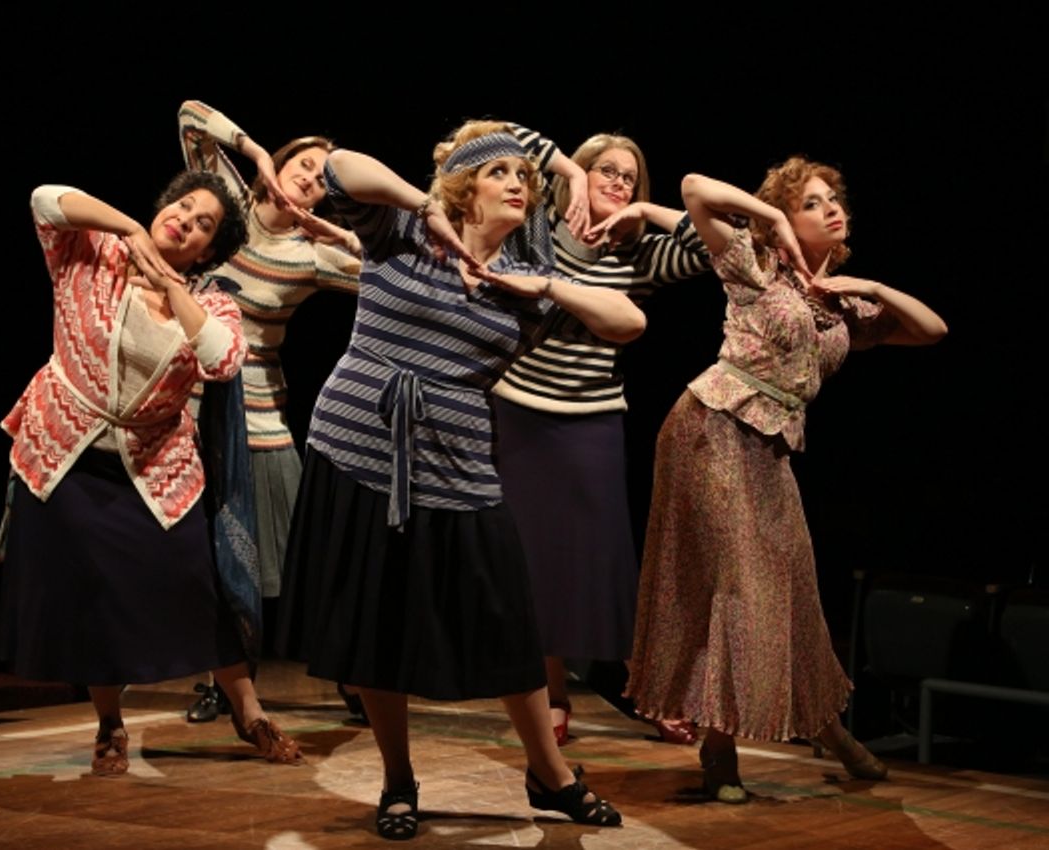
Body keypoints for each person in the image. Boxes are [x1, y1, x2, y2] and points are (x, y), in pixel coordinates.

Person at [278, 122, 643, 839]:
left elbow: (627, 322)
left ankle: (549, 774)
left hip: (460, 464)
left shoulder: (522, 286)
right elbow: (341, 165)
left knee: (509, 623)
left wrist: (542, 283)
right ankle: (397, 780)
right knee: (376, 632)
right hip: (358, 451)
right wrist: (426, 207)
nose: (518, 183)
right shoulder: (400, 235)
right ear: (465, 186)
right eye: (500, 172)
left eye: (524, 177)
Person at [624, 159, 948, 802]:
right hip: (710, 430)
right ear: (787, 222)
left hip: (770, 452)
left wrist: (872, 286)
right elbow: (692, 189)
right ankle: (719, 754)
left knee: (791, 595)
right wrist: (769, 216)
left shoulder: (844, 308)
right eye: (812, 203)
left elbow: (933, 330)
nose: (831, 209)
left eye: (835, 200)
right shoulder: (756, 266)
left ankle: (829, 730)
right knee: (736, 590)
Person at [0, 170, 303, 775]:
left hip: (154, 467)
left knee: (205, 584)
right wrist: (129, 227)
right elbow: (44, 199)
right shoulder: (93, 252)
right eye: (182, 208)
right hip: (66, 453)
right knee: (90, 599)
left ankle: (249, 712)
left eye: (203, 225)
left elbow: (223, 359)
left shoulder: (211, 303)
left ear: (208, 252)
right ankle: (110, 725)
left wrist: (170, 285)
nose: (185, 221)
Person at [493, 129, 709, 747]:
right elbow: (490, 140)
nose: (617, 183)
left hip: (592, 419)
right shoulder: (534, 228)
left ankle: (642, 688)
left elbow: (720, 248)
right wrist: (566, 168)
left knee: (603, 564)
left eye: (629, 178)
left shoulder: (639, 252)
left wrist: (647, 212)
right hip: (519, 416)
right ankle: (552, 696)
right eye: (605, 172)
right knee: (532, 566)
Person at [176, 100, 363, 723]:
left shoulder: (313, 253)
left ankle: (352, 676)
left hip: (260, 419)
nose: (310, 177)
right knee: (211, 558)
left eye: (323, 176)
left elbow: (389, 271)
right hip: (187, 412)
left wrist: (338, 234)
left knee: (303, 564)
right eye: (303, 164)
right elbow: (191, 117)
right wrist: (256, 154)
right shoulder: (224, 206)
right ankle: (225, 682)